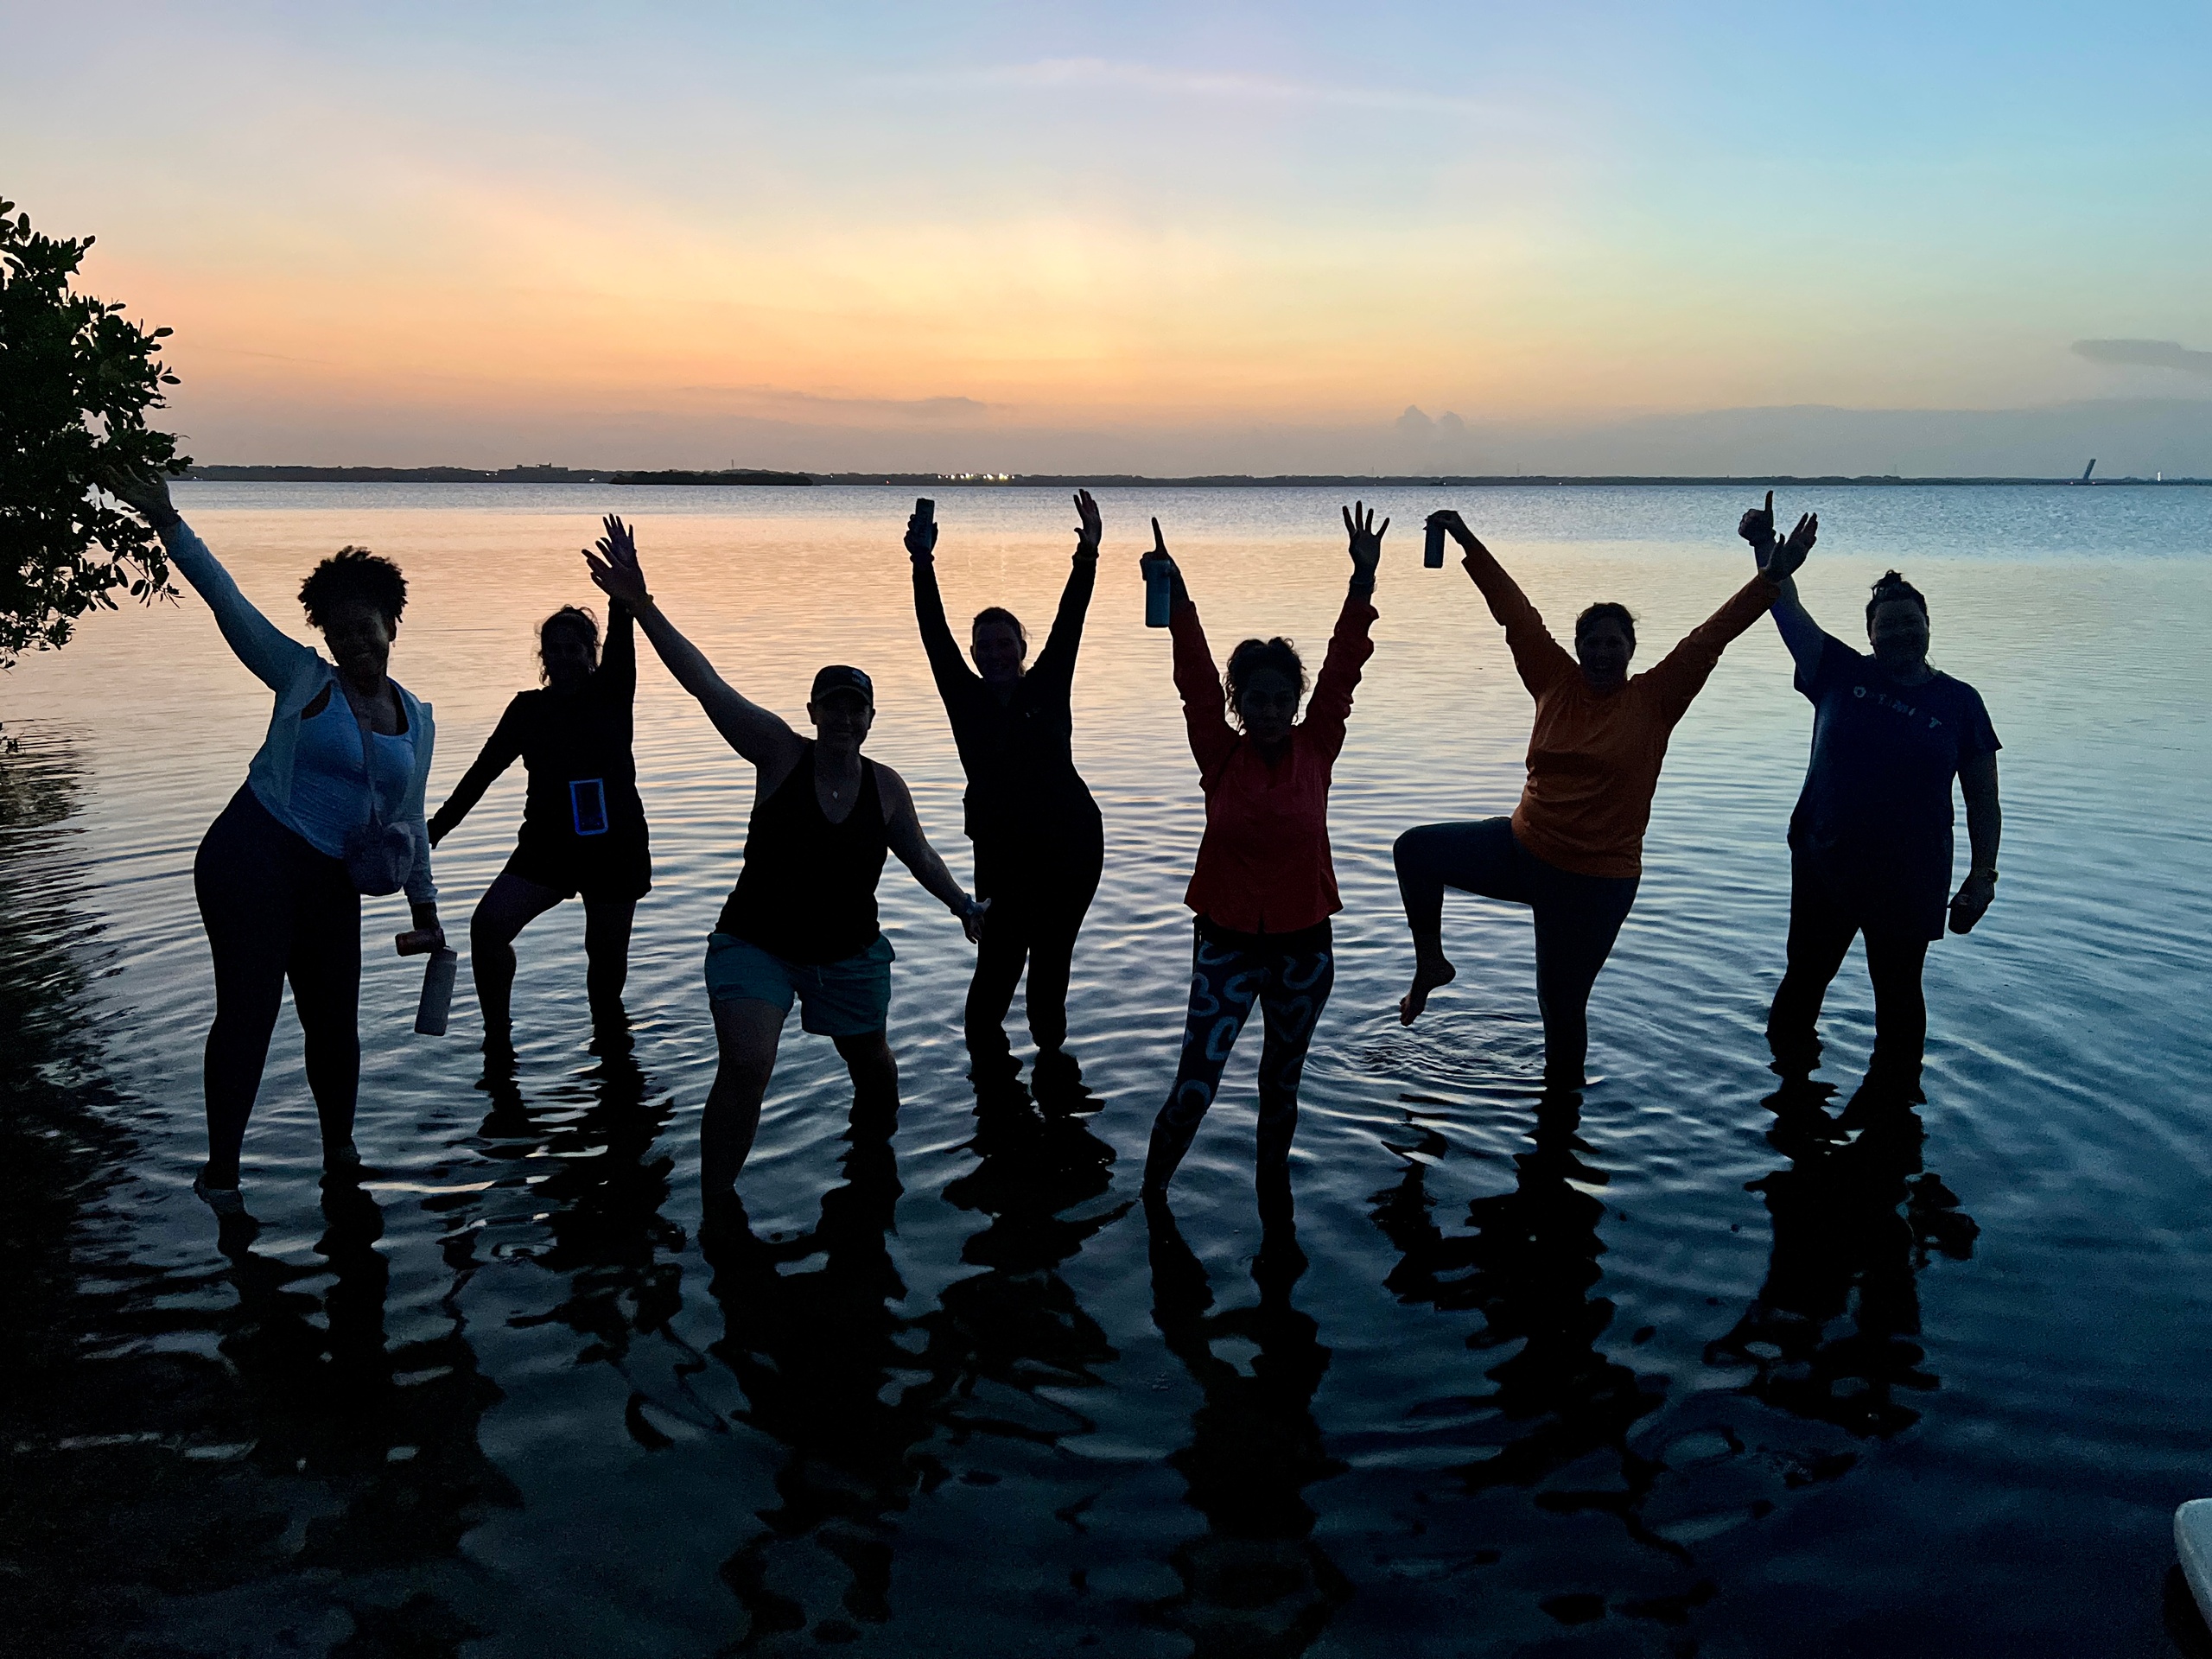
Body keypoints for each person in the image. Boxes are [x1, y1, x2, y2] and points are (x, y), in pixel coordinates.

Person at [582, 516, 985, 1188]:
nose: (844, 719)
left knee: (875, 1069)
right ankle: (718, 1201)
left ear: (870, 719)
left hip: (847, 953)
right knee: (745, 1064)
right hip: (757, 943)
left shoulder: (885, 787)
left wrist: (963, 905)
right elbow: (704, 683)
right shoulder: (777, 751)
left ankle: (873, 1168)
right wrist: (641, 605)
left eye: (856, 709)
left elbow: (920, 856)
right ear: (812, 710)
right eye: (833, 707)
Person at [107, 472, 442, 1216]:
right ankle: (222, 1174)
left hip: (328, 878)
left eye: (369, 625)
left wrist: (427, 907)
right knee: (250, 1012)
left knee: (336, 1022)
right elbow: (229, 604)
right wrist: (170, 525)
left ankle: (340, 1154)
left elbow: (412, 818)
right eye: (341, 628)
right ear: (325, 633)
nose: (356, 640)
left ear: (393, 624)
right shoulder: (301, 678)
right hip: (252, 855)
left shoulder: (416, 719)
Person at [1394, 510, 1805, 1090]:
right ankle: (1431, 963)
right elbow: (1515, 613)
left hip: (1593, 881)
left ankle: (1559, 1127)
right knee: (1415, 851)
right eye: (1593, 642)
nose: (1603, 652)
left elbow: (1712, 635)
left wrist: (1771, 577)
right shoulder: (1554, 681)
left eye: (1615, 643)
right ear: (1579, 646)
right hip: (1520, 848)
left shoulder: (1656, 699)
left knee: (1560, 1010)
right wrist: (1465, 539)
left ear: (1631, 649)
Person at [1139, 504, 1384, 1195]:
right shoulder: (1218, 753)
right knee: (1195, 1084)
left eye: (1283, 699)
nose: (1271, 711)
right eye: (1257, 699)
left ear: (1296, 702)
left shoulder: (1318, 746)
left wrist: (1361, 581)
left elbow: (1344, 669)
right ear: (1239, 704)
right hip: (1225, 943)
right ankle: (1151, 1197)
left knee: (1280, 1083)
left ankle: (1273, 1203)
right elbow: (1193, 681)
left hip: (1305, 948)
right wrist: (1179, 596)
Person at [1738, 493, 2001, 1095]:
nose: (1903, 631)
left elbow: (1983, 801)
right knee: (1804, 981)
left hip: (1911, 874)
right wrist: (1765, 552)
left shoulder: (1960, 703)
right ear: (1871, 633)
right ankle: (1787, 1102)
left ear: (1929, 626)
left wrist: (1983, 875)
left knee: (1901, 996)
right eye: (1890, 623)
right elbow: (1783, 607)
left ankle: (1895, 1115)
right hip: (1825, 862)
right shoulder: (1838, 672)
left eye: (1913, 621)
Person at [906, 491, 1104, 1078]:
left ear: (1022, 649)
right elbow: (931, 630)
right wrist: (921, 562)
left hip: (1070, 847)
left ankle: (1055, 1084)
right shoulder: (962, 696)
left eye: (1006, 644)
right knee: (994, 973)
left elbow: (1072, 620)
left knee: (1049, 967)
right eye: (984, 646)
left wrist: (1088, 553)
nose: (995, 653)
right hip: (1000, 851)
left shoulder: (1046, 685)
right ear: (973, 653)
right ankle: (994, 1102)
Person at [427, 582, 648, 1058]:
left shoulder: (612, 691)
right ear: (543, 656)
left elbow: (624, 630)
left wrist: (620, 594)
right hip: (548, 847)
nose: (565, 658)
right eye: (555, 649)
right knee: (487, 927)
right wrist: (435, 829)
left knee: (605, 966)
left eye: (575, 649)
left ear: (592, 653)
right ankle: (498, 1037)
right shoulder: (528, 709)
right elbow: (482, 773)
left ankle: (610, 1049)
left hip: (615, 850)